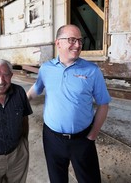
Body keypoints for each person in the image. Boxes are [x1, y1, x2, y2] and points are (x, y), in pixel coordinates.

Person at [27, 24, 111, 183]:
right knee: (57, 179)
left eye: (80, 40)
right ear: (58, 43)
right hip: (52, 138)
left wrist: (92, 136)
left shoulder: (92, 70)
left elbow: (103, 104)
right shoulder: (46, 68)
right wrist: (19, 102)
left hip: (82, 139)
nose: (78, 45)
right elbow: (36, 89)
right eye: (72, 40)